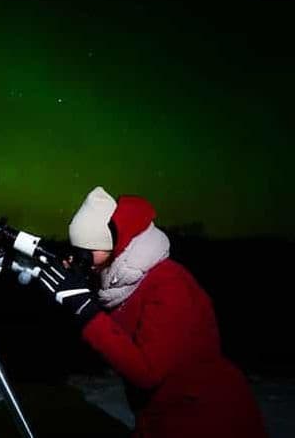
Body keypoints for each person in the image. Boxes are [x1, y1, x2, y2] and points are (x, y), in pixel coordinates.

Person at [36, 186, 268, 438]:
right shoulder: (120, 283)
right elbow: (110, 334)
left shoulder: (169, 285)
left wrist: (84, 307)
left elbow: (147, 372)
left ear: (111, 241)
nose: (80, 258)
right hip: (160, 419)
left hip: (208, 419)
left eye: (85, 251)